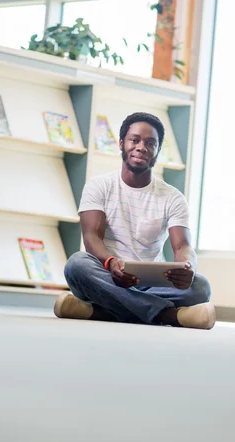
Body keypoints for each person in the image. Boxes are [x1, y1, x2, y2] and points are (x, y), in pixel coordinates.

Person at [53, 112, 215, 329]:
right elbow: (91, 237)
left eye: (150, 143)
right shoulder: (99, 186)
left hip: (149, 284)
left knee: (201, 287)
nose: (141, 147)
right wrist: (111, 264)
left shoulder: (172, 197)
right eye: (135, 140)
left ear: (157, 150)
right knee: (76, 265)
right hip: (106, 276)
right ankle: (168, 315)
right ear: (122, 143)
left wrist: (188, 268)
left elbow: (183, 246)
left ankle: (101, 311)